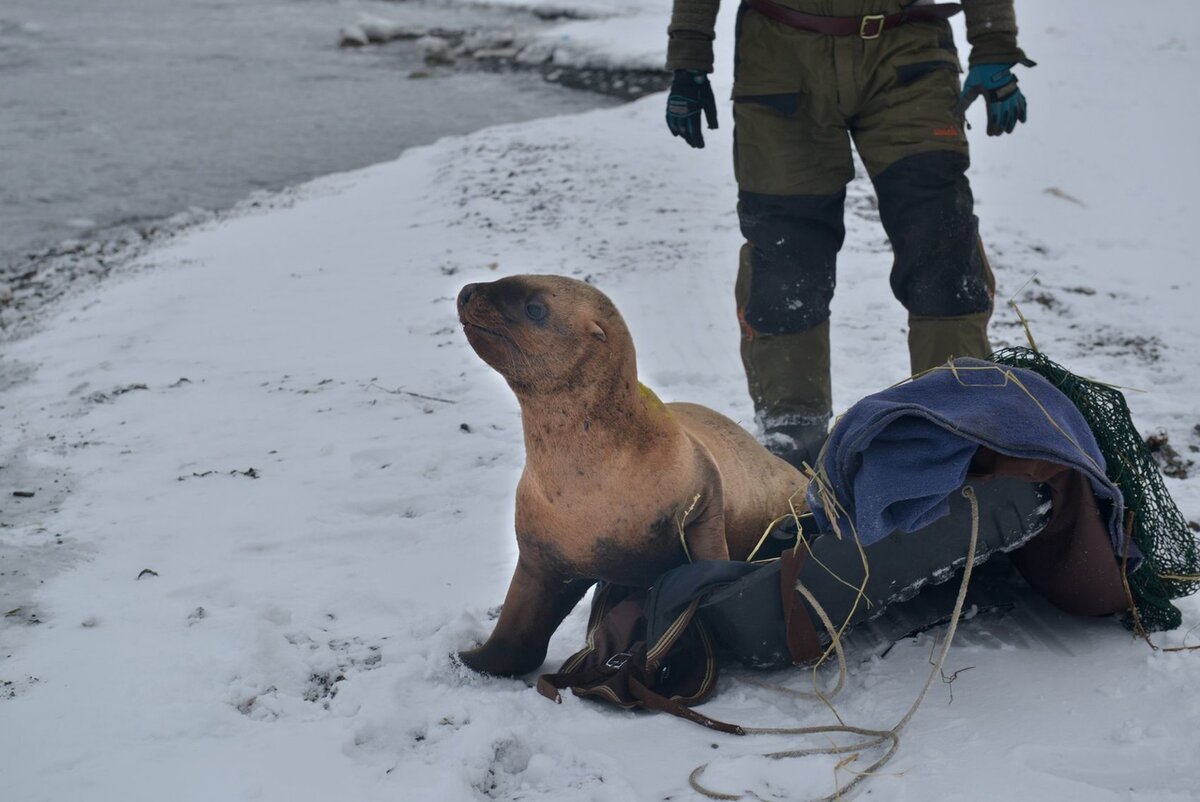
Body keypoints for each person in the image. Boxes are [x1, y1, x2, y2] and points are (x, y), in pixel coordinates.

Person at [664, 0, 1033, 468]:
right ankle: (793, 433)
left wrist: (994, 44)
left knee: (939, 239)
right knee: (785, 251)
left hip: (907, 53)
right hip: (779, 56)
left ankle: (956, 421)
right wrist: (690, 56)